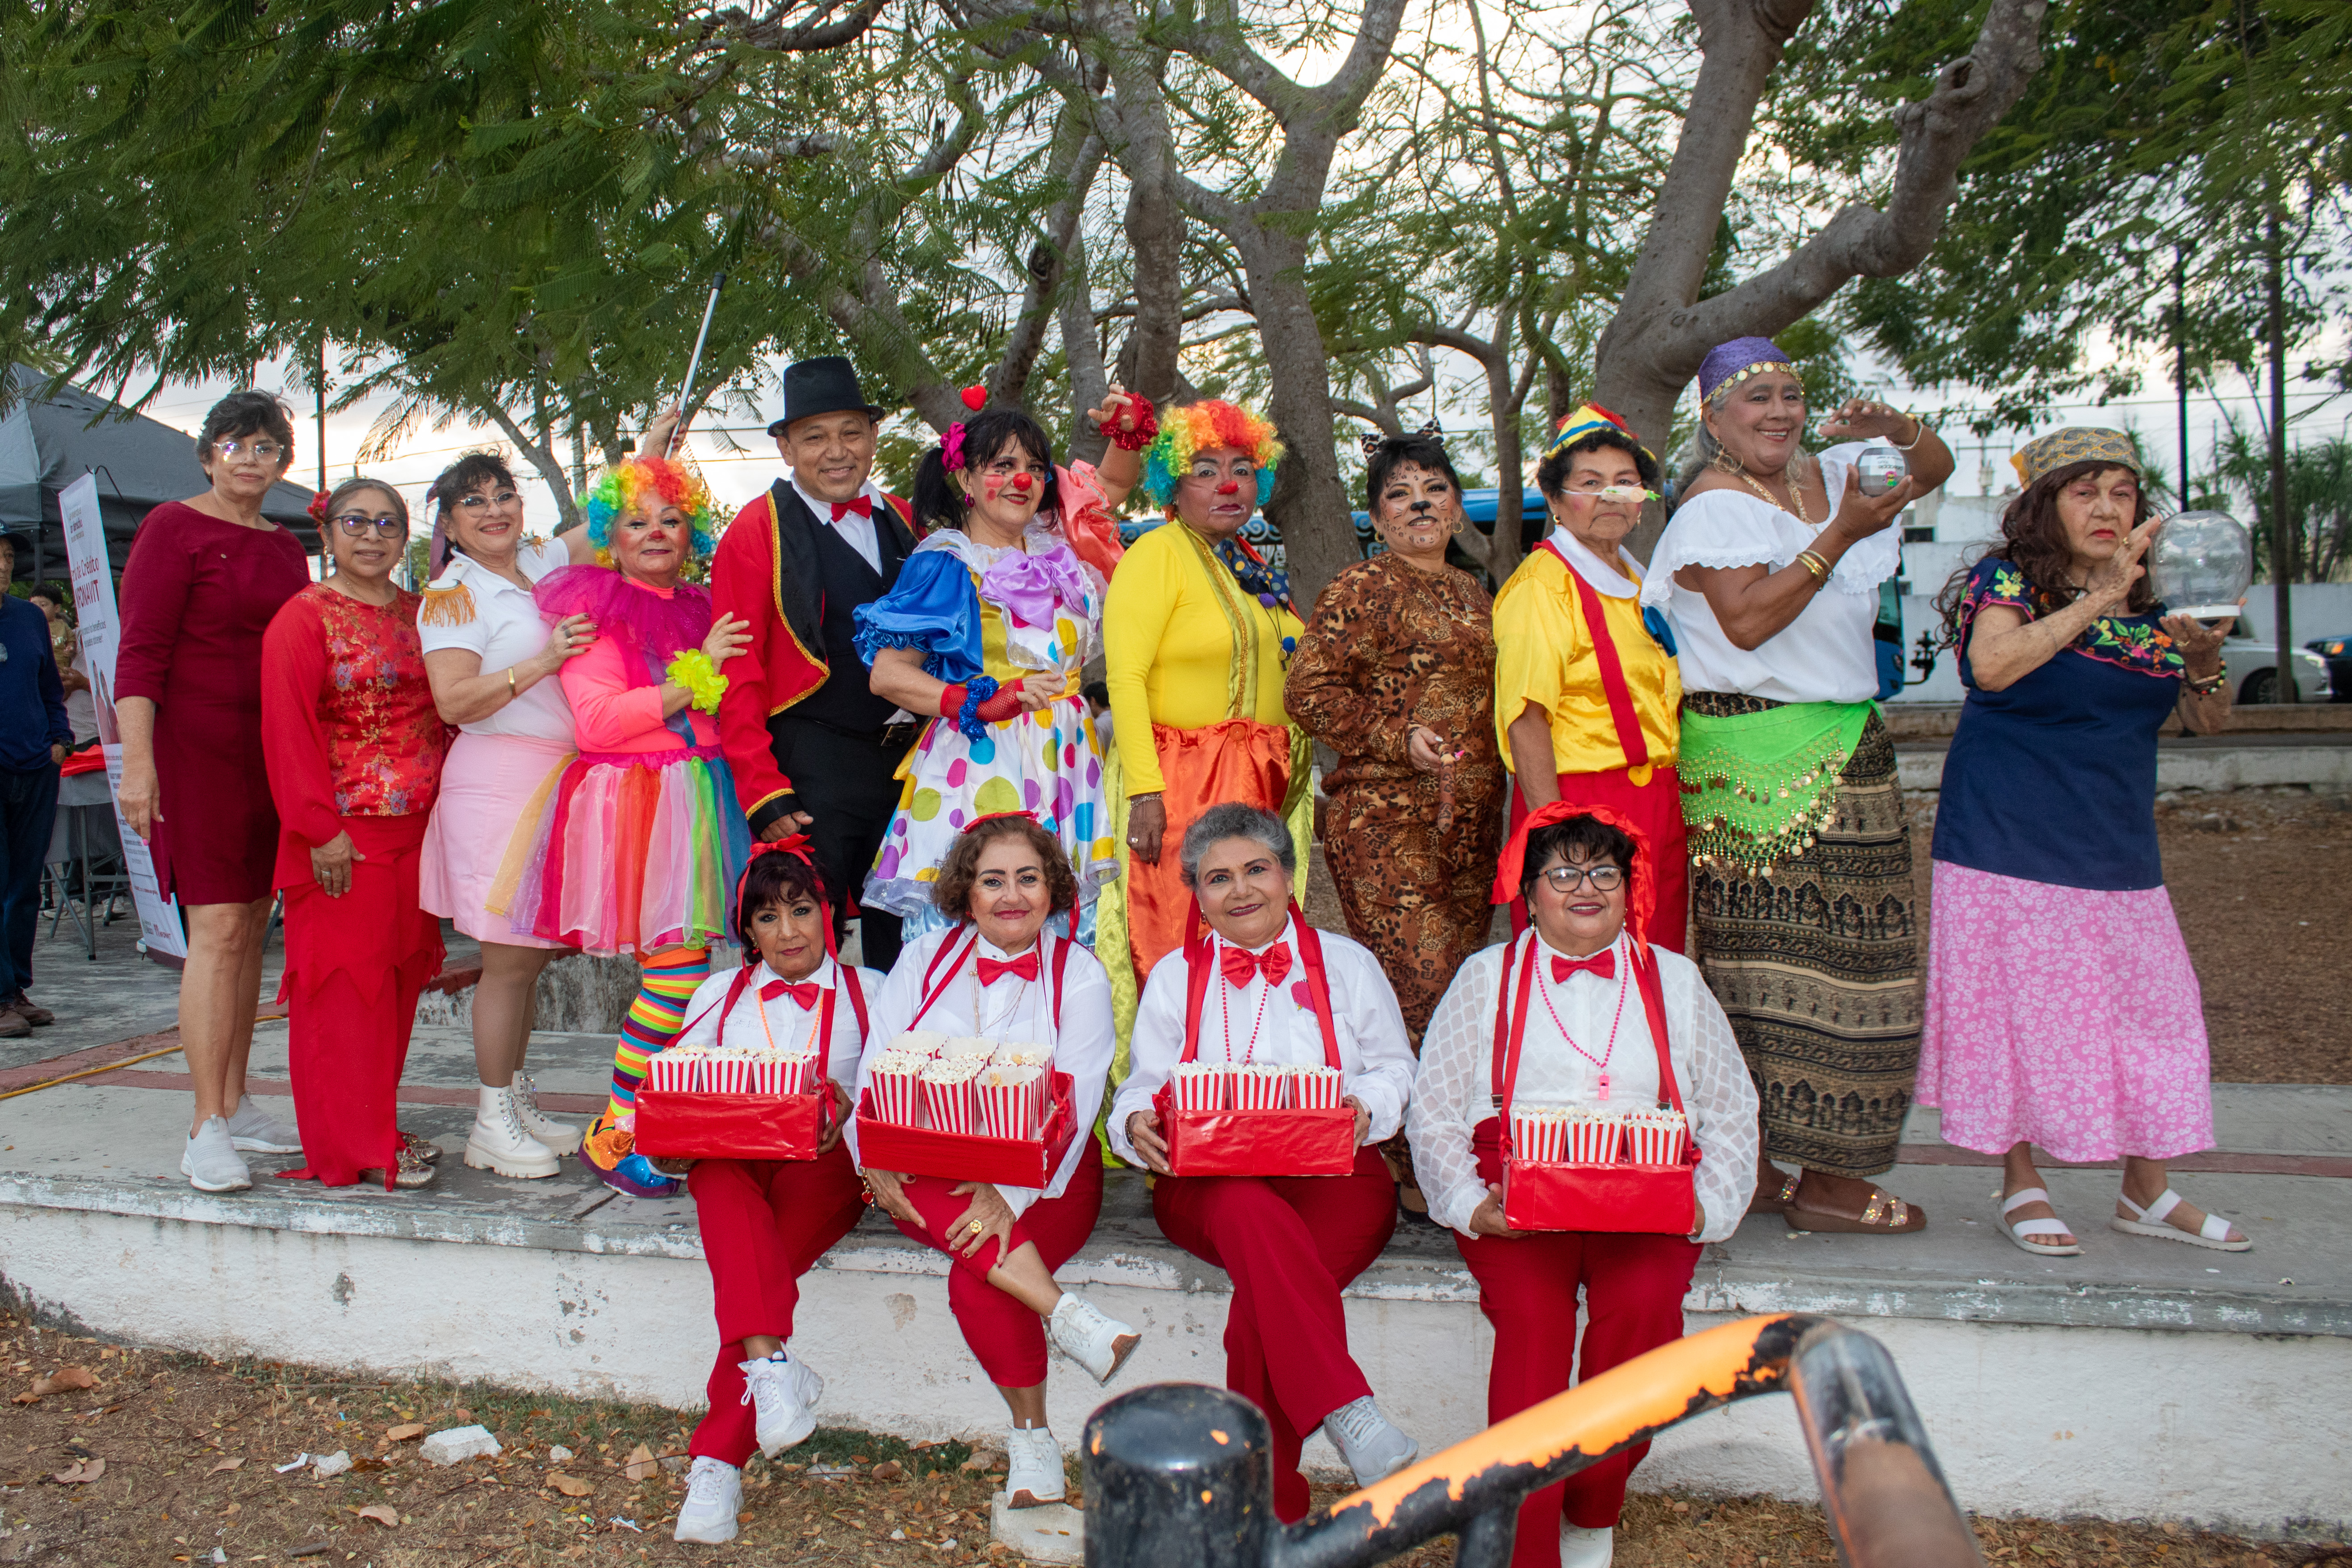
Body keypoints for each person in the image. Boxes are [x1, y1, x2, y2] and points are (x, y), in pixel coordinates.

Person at [1639, 338, 1952, 1235]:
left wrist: (1891, 426)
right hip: (1751, 754)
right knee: (1773, 970)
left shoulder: (1836, 471)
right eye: (1754, 400)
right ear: (1711, 419)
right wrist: (1843, 531)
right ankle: (1808, 1177)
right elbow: (1743, 623)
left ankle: (1801, 1169)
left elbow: (1931, 464)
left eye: (1789, 395)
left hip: (1848, 743)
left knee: (1861, 966)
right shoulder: (1710, 507)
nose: (1777, 412)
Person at [1920, 430, 2249, 1254]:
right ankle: (2021, 1183)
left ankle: (2146, 1192)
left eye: (2123, 493)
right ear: (2046, 504)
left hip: (2117, 846)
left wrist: (2203, 662)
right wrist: (2096, 597)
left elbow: (2206, 722)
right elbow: (1991, 669)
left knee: (2154, 1015)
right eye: (2085, 492)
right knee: (2021, 1016)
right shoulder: (2010, 582)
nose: (2108, 509)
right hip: (2005, 837)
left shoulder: (2158, 600)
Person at [1408, 806, 1758, 1568]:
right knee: (1533, 1332)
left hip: (1651, 1198)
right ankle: (1523, 1547)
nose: (1585, 888)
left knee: (1641, 1318)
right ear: (1528, 895)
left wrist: (1710, 1204)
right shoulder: (1486, 977)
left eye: (1604, 872)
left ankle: (1593, 1502)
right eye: (1562, 874)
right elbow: (1432, 1109)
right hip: (1518, 1203)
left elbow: (1731, 1105)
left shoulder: (1675, 978)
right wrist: (1473, 1207)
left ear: (1629, 889)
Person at [1112, 803, 1421, 1521]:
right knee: (1247, 1208)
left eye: (1257, 868)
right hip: (1210, 1186)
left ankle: (1262, 1515)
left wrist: (1366, 1109)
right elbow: (1138, 1084)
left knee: (1258, 1316)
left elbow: (1398, 1067)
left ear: (1287, 875)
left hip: (1335, 1175)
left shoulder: (1348, 965)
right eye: (1218, 877)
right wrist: (1135, 1122)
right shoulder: (1173, 976)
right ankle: (1348, 1407)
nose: (1241, 889)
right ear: (1197, 893)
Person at [852, 813, 1138, 1511]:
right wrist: (872, 1159)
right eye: (993, 880)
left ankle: (1031, 1436)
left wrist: (1007, 1195)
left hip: (1049, 1176)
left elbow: (1078, 1101)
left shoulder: (1081, 975)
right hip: (924, 1168)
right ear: (965, 892)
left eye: (1028, 878)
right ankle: (1068, 1316)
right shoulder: (921, 962)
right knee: (973, 1243)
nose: (1012, 895)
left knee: (978, 1280)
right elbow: (874, 1066)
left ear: (1053, 888)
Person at [509, 456, 753, 1197]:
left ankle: (652, 1122)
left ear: (692, 534)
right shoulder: (596, 608)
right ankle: (617, 1132)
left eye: (671, 520)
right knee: (675, 971)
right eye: (636, 521)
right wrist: (698, 675)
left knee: (689, 971)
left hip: (710, 793)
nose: (656, 533)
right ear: (609, 537)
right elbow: (601, 723)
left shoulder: (706, 604)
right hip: (645, 803)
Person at [116, 391, 313, 1192]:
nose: (251, 458)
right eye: (236, 443)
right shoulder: (172, 528)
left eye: (267, 447)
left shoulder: (285, 549)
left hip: (270, 755)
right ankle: (204, 1126)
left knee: (248, 937)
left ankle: (235, 1101)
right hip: (194, 754)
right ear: (207, 454)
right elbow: (140, 656)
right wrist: (137, 763)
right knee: (219, 933)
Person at [661, 841, 884, 1545]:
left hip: (828, 1166)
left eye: (801, 910)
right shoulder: (716, 995)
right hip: (737, 1162)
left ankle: (717, 1459)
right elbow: (675, 1088)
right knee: (717, 1179)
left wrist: (857, 1105)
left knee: (759, 1261)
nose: (788, 931)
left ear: (828, 915)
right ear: (747, 931)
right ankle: (773, 1368)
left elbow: (902, 1093)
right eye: (768, 917)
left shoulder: (874, 992)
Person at [853, 400, 1138, 940]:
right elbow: (887, 674)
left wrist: (1128, 436)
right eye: (1001, 466)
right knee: (977, 928)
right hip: (983, 763)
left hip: (1066, 762)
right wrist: (977, 704)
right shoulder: (947, 562)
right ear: (963, 474)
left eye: (1032, 466)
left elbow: (1109, 488)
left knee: (1058, 936)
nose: (1021, 479)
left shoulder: (1058, 548)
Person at [258, 478, 449, 1190]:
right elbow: (287, 729)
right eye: (355, 521)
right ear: (327, 532)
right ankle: (351, 1147)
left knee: (397, 985)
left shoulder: (422, 613)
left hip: (420, 830)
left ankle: (377, 1124)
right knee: (343, 993)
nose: (372, 536)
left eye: (388, 523)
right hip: (344, 835)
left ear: (406, 536)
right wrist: (319, 830)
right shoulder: (304, 619)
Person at [1098, 399, 1308, 1046]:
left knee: (1258, 931)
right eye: (1205, 468)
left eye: (1243, 468)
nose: (1228, 484)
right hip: (1181, 781)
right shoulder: (1157, 553)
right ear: (1171, 484)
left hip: (1264, 782)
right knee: (1175, 932)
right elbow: (1125, 678)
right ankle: (1167, 1099)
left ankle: (1251, 1081)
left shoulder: (1244, 562)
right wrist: (1145, 790)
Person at [415, 450, 601, 1178]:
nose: (493, 509)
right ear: (451, 524)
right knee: (507, 958)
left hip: (554, 778)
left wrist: (651, 446)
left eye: (504, 495)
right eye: (474, 502)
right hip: (497, 781)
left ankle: (517, 1099)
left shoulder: (534, 560)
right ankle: (490, 1120)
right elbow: (453, 701)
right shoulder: (453, 597)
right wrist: (546, 659)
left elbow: (604, 523)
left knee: (529, 961)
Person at [705, 357, 925, 974]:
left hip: (909, 766)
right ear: (785, 447)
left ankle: (898, 1068)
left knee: (909, 939)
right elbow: (738, 668)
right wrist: (762, 790)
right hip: (815, 765)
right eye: (815, 436)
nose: (837, 451)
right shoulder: (755, 530)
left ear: (873, 436)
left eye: (851, 432)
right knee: (805, 945)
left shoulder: (908, 520)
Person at [1286, 429, 1505, 1043]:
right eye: (1400, 493)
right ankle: (1399, 1138)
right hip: (1386, 825)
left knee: (1463, 998)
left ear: (1458, 509)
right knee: (1422, 993)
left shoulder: (1476, 596)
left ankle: (1449, 1136)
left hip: (1472, 826)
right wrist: (1395, 735)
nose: (1420, 504)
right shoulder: (1359, 588)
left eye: (1435, 490)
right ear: (1378, 518)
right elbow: (1307, 691)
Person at [1494, 406, 1686, 949]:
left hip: (1657, 807)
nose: (1611, 497)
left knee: (1655, 958)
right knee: (1584, 970)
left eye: (1626, 484)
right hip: (1582, 806)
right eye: (1590, 483)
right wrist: (1557, 836)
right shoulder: (1543, 586)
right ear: (1555, 500)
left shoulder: (1635, 579)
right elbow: (1526, 718)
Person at [0, 537, 70, 1038]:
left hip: (36, 766)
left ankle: (15, 987)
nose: (1, 566)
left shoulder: (28, 618)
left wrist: (60, 739)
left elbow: (50, 686)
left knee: (26, 886)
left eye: (6, 557)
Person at [27, 585, 95, 748]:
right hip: (57, 733)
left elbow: (119, 689)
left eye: (43, 605)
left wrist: (83, 683)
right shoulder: (75, 633)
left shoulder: (108, 639)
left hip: (91, 736)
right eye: (79, 605)